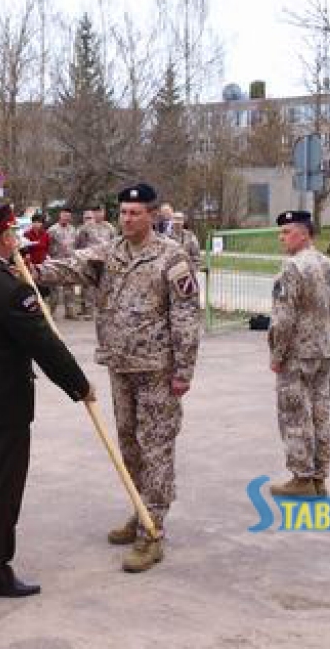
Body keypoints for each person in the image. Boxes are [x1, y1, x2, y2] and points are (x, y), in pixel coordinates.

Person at [31, 183, 201, 573]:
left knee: (156, 447)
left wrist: (184, 371)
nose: (126, 219)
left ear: (152, 215)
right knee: (128, 444)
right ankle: (140, 509)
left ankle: (153, 530)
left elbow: (187, 317)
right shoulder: (110, 253)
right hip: (120, 366)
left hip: (157, 369)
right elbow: (70, 265)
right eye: (123, 212)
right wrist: (30, 269)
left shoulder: (172, 258)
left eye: (135, 213)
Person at [0, 197, 93, 598]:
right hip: (3, 403)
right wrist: (80, 386)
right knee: (0, 492)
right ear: (6, 237)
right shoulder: (12, 291)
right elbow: (46, 346)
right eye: (12, 233)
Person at [267, 210, 330, 498]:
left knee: (295, 414)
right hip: (323, 352)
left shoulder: (293, 267)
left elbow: (283, 318)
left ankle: (302, 477)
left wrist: (277, 354)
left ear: (303, 234)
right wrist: (329, 342)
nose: (282, 238)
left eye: (287, 232)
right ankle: (319, 476)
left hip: (297, 354)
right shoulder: (329, 265)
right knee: (320, 414)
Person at [75, 203, 118, 321]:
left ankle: (103, 310)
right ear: (93, 214)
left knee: (105, 286)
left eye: (100, 212)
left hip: (105, 261)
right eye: (96, 212)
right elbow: (79, 244)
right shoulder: (85, 228)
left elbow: (115, 244)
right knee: (89, 286)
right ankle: (89, 311)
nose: (98, 214)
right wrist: (83, 256)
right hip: (90, 261)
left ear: (104, 213)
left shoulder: (110, 227)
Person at [46, 208, 80, 319]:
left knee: (69, 288)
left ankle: (70, 312)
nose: (66, 218)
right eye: (64, 215)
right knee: (54, 288)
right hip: (56, 261)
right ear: (60, 216)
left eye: (68, 216)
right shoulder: (52, 230)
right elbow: (47, 245)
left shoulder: (73, 230)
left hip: (69, 262)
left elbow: (76, 245)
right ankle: (51, 312)